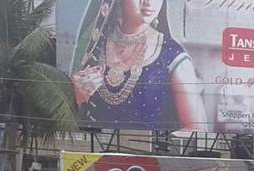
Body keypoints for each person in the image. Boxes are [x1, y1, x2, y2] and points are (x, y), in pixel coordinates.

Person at [69, 0, 206, 132]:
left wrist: (156, 146)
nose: (149, 2)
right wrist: (77, 95)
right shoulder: (93, 47)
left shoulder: (172, 56)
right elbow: (62, 116)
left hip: (149, 153)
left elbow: (195, 128)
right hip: (92, 151)